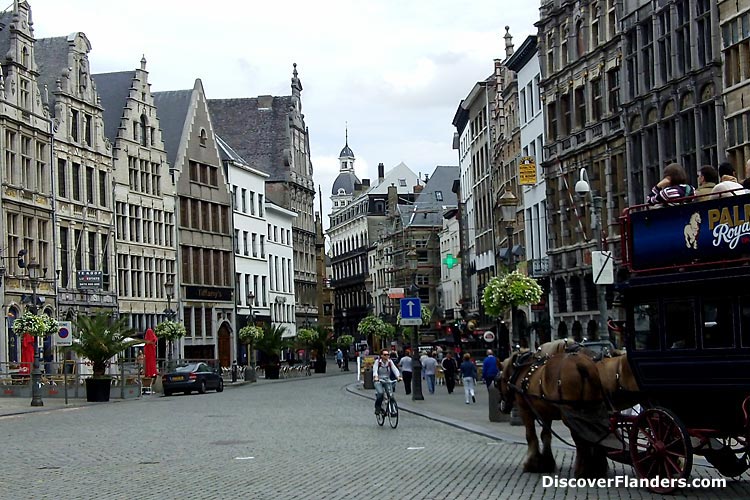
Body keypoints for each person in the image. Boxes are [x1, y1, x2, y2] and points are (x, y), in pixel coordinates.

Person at [372, 350, 401, 415]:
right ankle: (378, 407)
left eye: (388, 354)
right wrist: (376, 377)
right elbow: (375, 370)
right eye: (385, 355)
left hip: (387, 380)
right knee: (380, 393)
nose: (387, 356)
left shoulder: (390, 362)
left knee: (390, 395)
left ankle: (393, 410)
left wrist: (398, 376)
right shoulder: (377, 362)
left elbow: (395, 369)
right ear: (381, 355)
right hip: (378, 380)